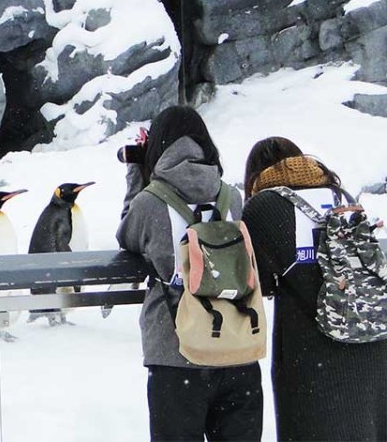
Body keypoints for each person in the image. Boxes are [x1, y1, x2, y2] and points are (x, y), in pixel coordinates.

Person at [116, 105, 263, 441]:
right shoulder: (231, 197)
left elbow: (128, 237)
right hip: (236, 348)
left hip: (177, 353)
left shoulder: (150, 202)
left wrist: (136, 173)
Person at [242, 136, 387, 441]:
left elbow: (260, 282)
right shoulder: (341, 196)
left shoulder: (263, 206)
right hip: (370, 338)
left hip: (310, 353)